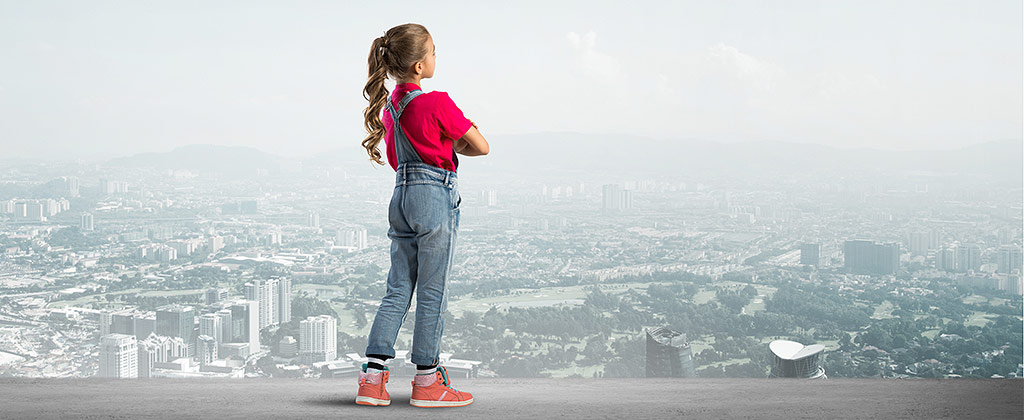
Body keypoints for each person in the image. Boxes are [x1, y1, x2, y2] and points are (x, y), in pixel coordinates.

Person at [355, 23, 489, 408]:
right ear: (418, 66)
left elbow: (401, 159)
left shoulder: (389, 112)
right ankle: (428, 382)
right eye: (432, 51)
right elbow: (480, 147)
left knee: (398, 288)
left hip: (400, 197)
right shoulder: (437, 103)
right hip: (433, 196)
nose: (435, 57)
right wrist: (457, 136)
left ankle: (372, 379)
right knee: (432, 291)